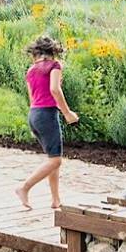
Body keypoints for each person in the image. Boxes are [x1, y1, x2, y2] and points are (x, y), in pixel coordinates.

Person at [15, 35, 81, 211]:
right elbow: (54, 89)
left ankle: (55, 200)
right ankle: (24, 187)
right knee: (56, 161)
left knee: (53, 158)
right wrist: (67, 113)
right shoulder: (54, 66)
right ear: (53, 52)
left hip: (34, 114)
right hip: (46, 115)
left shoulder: (31, 70)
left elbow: (32, 98)